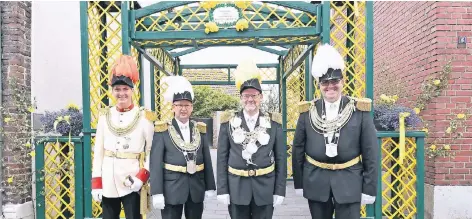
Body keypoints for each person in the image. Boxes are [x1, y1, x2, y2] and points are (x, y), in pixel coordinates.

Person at [291, 43, 379, 219]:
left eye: (335, 81)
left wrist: (369, 188)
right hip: (316, 180)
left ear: (342, 81)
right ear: (319, 84)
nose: (330, 86)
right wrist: (299, 184)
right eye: (325, 82)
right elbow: (297, 149)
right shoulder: (308, 112)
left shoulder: (359, 110)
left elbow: (371, 152)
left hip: (349, 181)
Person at [216, 59, 286, 219]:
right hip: (236, 188)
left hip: (265, 188)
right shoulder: (228, 123)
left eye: (254, 95)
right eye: (246, 96)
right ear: (240, 97)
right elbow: (221, 159)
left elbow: (281, 158)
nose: (250, 99)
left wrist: (280, 190)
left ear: (261, 97)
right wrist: (222, 190)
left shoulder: (273, 123)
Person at [90, 55, 155, 219]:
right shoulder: (105, 116)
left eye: (125, 89)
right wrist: (96, 183)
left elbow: (151, 151)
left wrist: (142, 177)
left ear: (132, 90)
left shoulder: (144, 117)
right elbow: (98, 153)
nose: (121, 93)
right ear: (112, 91)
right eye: (117, 89)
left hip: (131, 180)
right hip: (108, 181)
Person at [149, 75, 216, 219]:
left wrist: (210, 186)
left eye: (187, 105)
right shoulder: (163, 130)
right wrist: (157, 192)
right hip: (171, 189)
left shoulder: (200, 130)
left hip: (196, 189)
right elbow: (155, 163)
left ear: (192, 108)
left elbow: (207, 160)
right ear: (173, 107)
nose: (183, 109)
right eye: (179, 105)